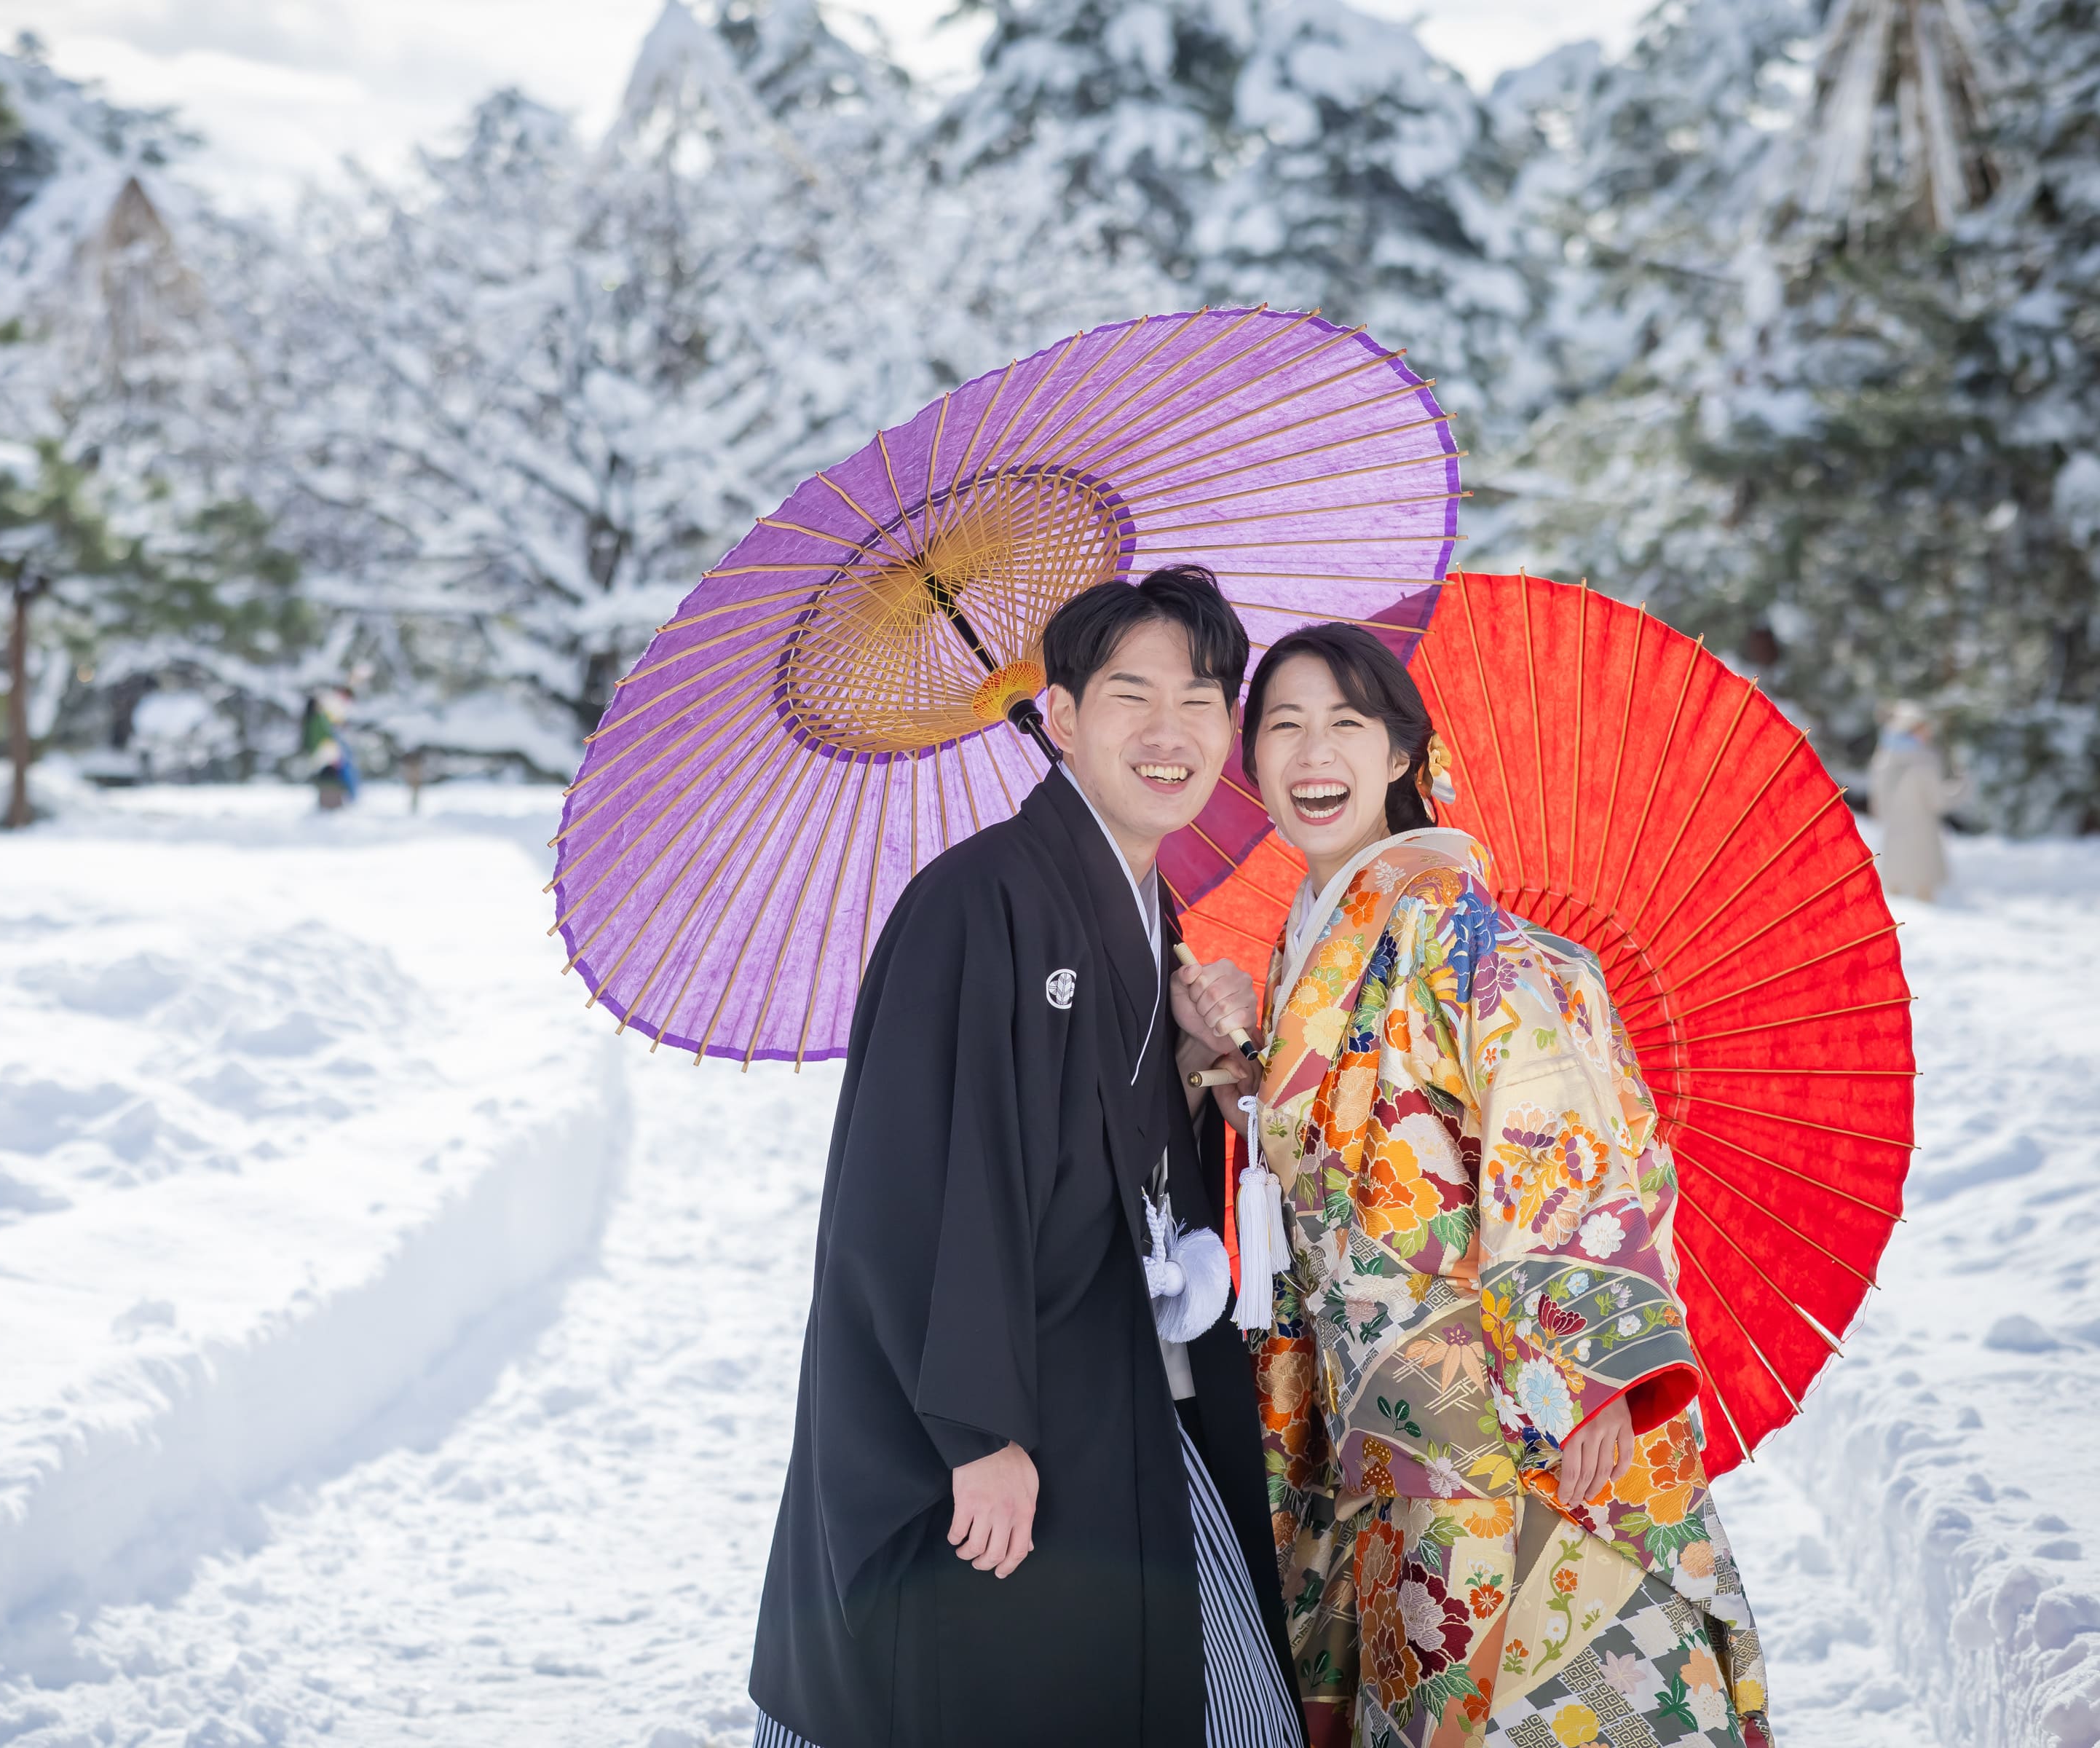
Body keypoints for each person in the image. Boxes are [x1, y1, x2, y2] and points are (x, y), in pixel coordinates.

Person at [749, 567, 1304, 1747]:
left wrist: (1200, 1077)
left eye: (1202, 700)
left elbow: (1124, 1173)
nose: (1170, 734)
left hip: (1122, 1400)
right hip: (1007, 1426)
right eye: (1131, 697)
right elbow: (914, 1190)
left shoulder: (1148, 914)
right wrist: (978, 1433)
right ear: (1060, 716)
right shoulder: (975, 903)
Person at [1230, 623, 1774, 1748]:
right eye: (1283, 726)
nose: (1312, 752)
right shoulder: (1308, 950)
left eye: (1346, 723)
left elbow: (1555, 1120)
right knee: (1427, 1679)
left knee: (1540, 1684)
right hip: (1377, 1411)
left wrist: (1591, 1369)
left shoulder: (1452, 923)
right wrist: (1241, 1068)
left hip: (1501, 1398)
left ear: (1399, 754)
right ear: (1253, 765)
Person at [1869, 701, 1961, 902]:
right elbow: (1939, 801)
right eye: (1922, 728)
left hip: (1894, 837)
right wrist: (1963, 786)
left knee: (1895, 900)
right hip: (1922, 836)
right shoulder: (1924, 760)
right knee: (1924, 894)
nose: (1928, 733)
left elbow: (1878, 803)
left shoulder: (1884, 758)